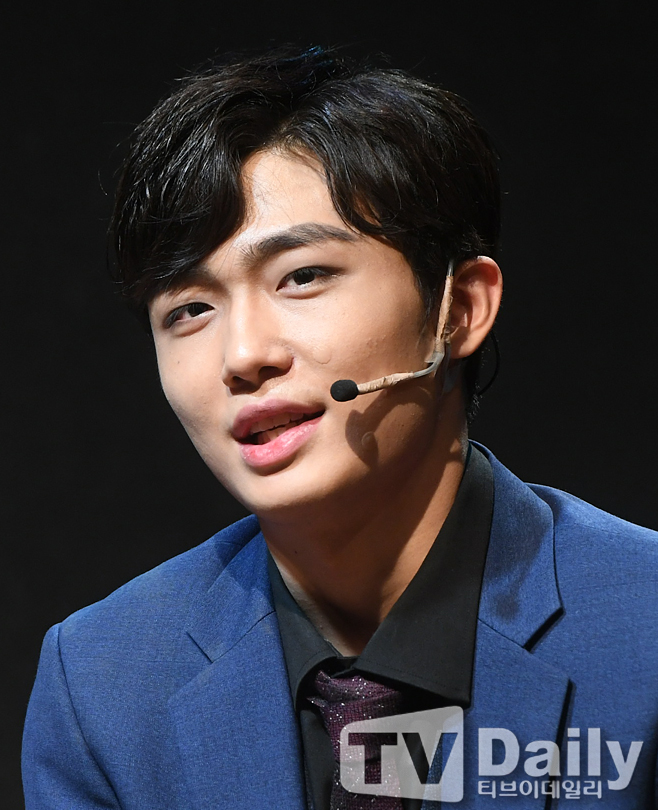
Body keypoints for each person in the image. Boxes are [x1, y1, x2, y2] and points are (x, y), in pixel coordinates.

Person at [22, 46, 658, 809]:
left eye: (302, 276)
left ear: (459, 309)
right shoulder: (103, 686)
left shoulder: (643, 627)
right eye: (189, 309)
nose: (244, 356)